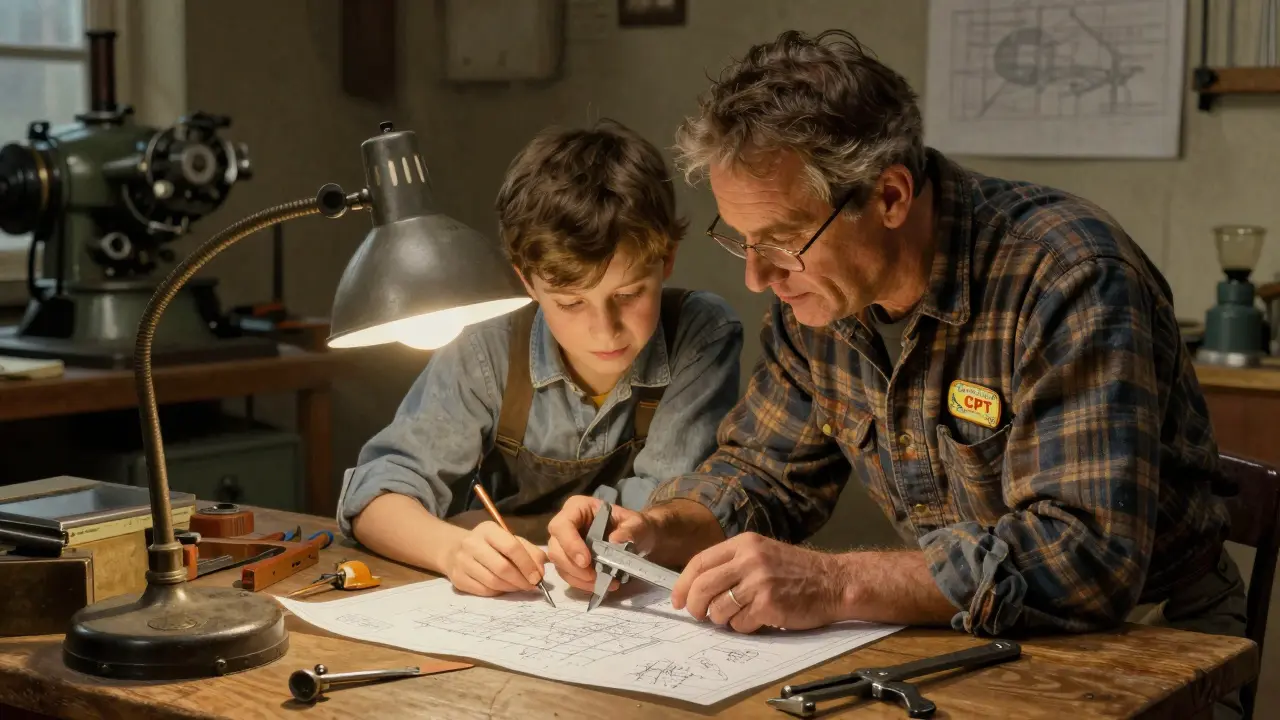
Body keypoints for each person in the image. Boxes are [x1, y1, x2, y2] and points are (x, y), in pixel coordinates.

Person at [547, 30, 1245, 714]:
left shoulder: (1067, 277)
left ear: (889, 197)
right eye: (742, 241)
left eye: (783, 242)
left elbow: (1084, 557)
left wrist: (833, 581)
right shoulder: (820, 300)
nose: (758, 277)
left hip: (1152, 645)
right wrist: (652, 530)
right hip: (972, 643)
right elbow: (760, 475)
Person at [337, 119, 743, 600]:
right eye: (571, 303)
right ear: (527, 282)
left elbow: (664, 516)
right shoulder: (487, 347)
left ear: (667, 260)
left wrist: (513, 524)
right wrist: (451, 549)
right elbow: (375, 497)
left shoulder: (699, 333)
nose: (604, 328)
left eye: (629, 294)